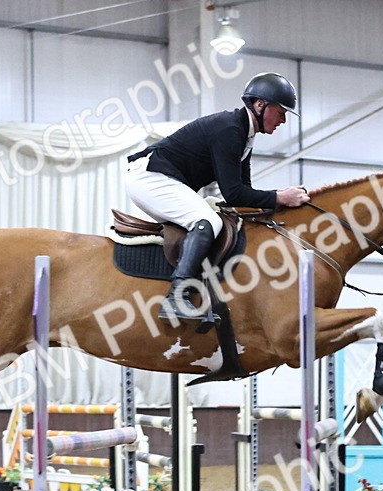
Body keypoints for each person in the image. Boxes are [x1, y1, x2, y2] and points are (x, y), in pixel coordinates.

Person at [125, 72, 311, 324]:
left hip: (161, 178)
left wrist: (279, 205)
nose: (283, 120)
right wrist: (280, 196)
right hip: (149, 176)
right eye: (281, 112)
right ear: (260, 105)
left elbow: (243, 194)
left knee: (214, 219)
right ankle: (176, 297)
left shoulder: (244, 136)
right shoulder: (230, 129)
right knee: (208, 221)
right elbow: (234, 193)